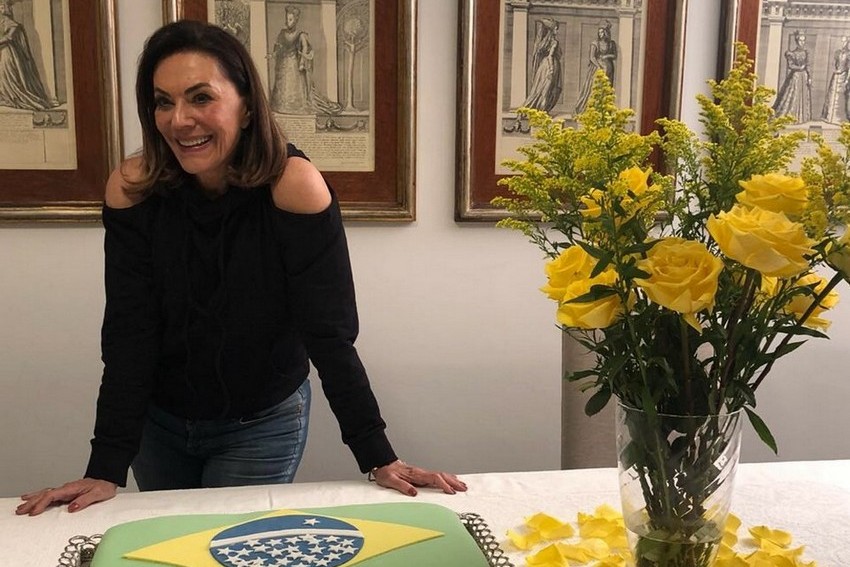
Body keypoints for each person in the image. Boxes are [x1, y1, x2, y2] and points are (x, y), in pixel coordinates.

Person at [16, 19, 466, 517]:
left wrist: (377, 455)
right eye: (163, 102)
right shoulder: (133, 188)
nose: (179, 120)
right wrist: (105, 466)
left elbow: (328, 333)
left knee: (228, 543)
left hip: (260, 423)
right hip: (158, 423)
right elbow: (129, 331)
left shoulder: (293, 186)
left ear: (248, 106)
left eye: (201, 98)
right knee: (172, 544)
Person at [268, 5, 340, 115]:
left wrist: (302, 62)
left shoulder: (301, 34)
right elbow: (278, 46)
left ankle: (295, 106)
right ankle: (282, 105)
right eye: (287, 19)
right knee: (282, 87)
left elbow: (305, 48)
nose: (288, 22)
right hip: (283, 65)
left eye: (291, 19)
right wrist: (272, 54)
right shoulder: (282, 33)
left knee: (296, 87)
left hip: (294, 64)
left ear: (296, 20)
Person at [0, 0, 53, 111]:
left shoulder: (13, 24)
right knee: (3, 77)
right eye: (0, 7)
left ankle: (14, 96)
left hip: (8, 53)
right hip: (2, 52)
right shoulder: (2, 23)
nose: (1, 10)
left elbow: (8, 38)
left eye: (3, 7)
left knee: (8, 75)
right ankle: (6, 97)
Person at [575, 20, 617, 115]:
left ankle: (604, 111)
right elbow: (592, 57)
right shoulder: (595, 43)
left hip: (609, 69)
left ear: (607, 33)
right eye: (599, 32)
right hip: (597, 68)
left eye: (603, 32)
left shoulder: (611, 43)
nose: (601, 34)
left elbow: (614, 55)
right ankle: (591, 110)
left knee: (606, 89)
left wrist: (606, 56)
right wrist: (599, 66)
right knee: (594, 88)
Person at [522, 18, 562, 113]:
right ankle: (542, 112)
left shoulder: (544, 42)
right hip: (550, 65)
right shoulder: (554, 42)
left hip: (543, 66)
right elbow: (550, 56)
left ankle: (534, 111)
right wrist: (551, 70)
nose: (557, 31)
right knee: (545, 91)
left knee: (539, 89)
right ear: (552, 30)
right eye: (556, 29)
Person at [773, 30, 812, 124]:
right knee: (794, 95)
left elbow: (807, 65)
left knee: (803, 95)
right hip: (796, 76)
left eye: (804, 40)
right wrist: (799, 68)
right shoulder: (791, 53)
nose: (802, 42)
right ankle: (791, 117)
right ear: (797, 41)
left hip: (804, 76)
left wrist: (809, 77)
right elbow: (790, 66)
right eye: (801, 40)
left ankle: (802, 118)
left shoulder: (806, 52)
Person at [822, 36, 850, 123]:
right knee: (832, 94)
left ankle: (839, 118)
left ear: (848, 42)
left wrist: (847, 79)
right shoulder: (837, 52)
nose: (843, 44)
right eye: (842, 42)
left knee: (841, 97)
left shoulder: (849, 53)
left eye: (845, 42)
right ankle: (829, 117)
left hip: (844, 76)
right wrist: (835, 70)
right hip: (836, 76)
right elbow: (833, 63)